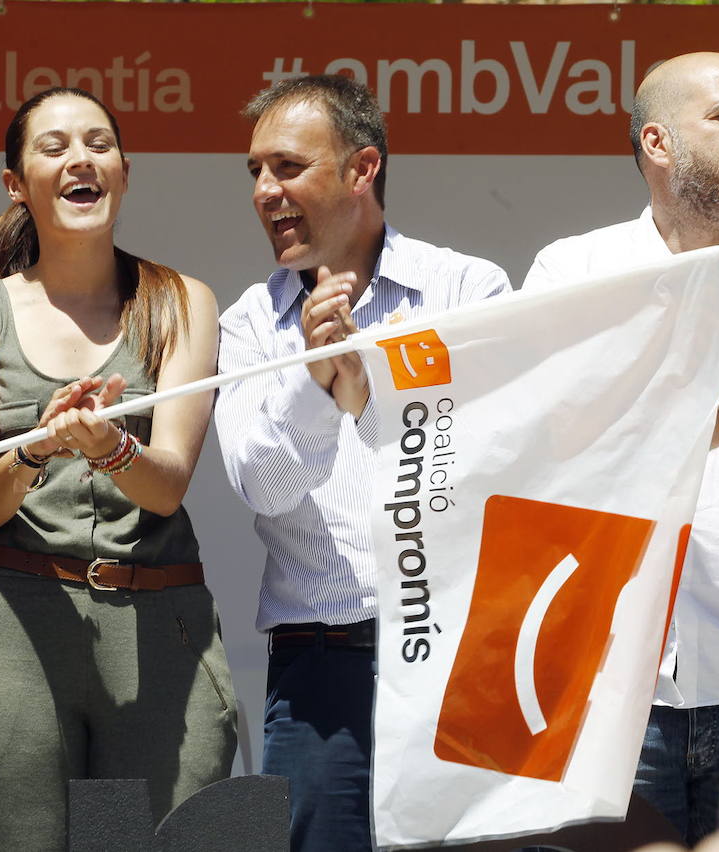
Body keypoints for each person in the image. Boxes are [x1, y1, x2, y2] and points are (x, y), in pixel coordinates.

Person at [0, 86, 234, 851]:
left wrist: (109, 446)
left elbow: (166, 484)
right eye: (54, 147)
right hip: (17, 625)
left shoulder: (180, 301)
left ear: (125, 171)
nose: (80, 160)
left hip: (162, 626)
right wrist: (40, 445)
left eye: (98, 144)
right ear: (15, 184)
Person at [214, 75, 510, 851]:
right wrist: (317, 384)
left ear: (362, 170)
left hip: (452, 662)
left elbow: (482, 467)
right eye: (254, 172)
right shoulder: (249, 323)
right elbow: (263, 489)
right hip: (321, 676)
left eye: (285, 166)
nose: (264, 190)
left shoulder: (466, 290)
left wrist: (368, 399)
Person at [522, 52, 719, 845]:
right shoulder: (569, 275)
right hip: (607, 693)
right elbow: (547, 464)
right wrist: (717, 418)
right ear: (656, 143)